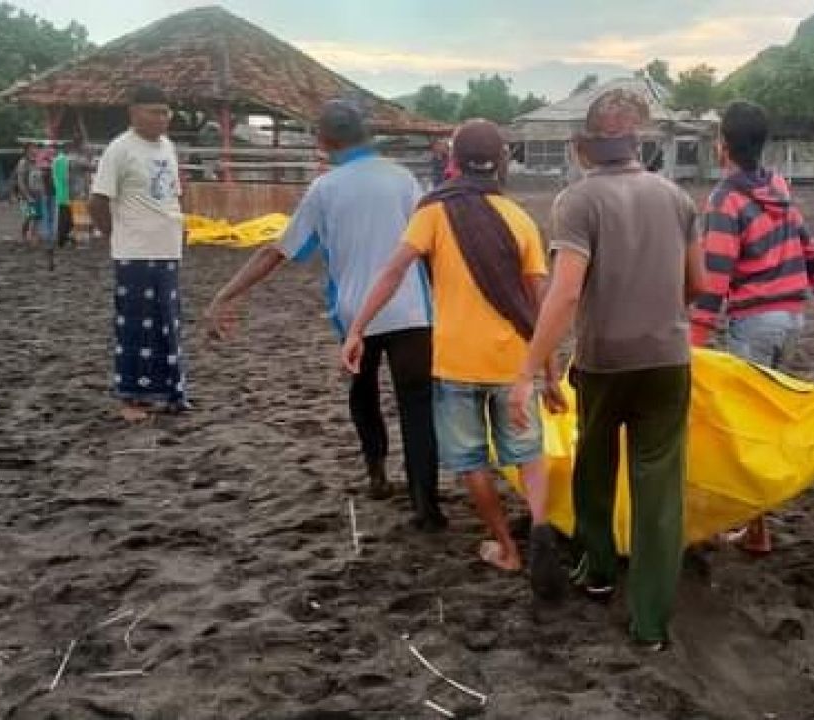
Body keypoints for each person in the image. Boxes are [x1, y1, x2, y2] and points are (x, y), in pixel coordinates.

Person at [508, 88, 705, 649]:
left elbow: (565, 291)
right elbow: (698, 285)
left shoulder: (576, 201)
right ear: (638, 143)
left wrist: (526, 371)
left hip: (602, 361)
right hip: (667, 362)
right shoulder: (677, 199)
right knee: (659, 492)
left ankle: (597, 570)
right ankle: (649, 624)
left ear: (583, 147)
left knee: (594, 462)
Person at [343, 119, 566, 598]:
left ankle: (506, 547)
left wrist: (358, 327)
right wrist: (547, 372)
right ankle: (542, 528)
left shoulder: (434, 212)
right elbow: (537, 304)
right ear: (501, 161)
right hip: (513, 365)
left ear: (454, 161)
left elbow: (393, 271)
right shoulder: (519, 217)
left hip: (455, 365)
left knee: (470, 462)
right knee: (528, 457)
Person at [206, 100, 444, 528]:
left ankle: (376, 473)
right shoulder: (403, 179)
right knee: (417, 405)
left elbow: (277, 251)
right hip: (411, 311)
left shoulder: (325, 189)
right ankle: (425, 503)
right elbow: (430, 246)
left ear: (323, 141)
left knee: (363, 394)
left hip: (356, 315)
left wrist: (226, 295)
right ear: (366, 134)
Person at [690, 100, 814, 553]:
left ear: (722, 146)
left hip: (754, 322)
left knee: (743, 428)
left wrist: (695, 336)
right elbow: (806, 243)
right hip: (791, 318)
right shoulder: (777, 186)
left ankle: (755, 528)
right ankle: (757, 528)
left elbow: (715, 273)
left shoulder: (725, 199)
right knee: (762, 419)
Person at [90, 83, 189, 422]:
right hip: (134, 252)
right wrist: (116, 239)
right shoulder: (120, 149)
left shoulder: (169, 148)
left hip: (168, 250)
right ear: (134, 113)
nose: (162, 119)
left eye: (166, 112)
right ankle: (131, 399)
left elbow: (174, 194)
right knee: (134, 326)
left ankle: (170, 393)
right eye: (155, 112)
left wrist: (179, 230)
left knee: (167, 324)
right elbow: (98, 201)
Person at [14, 143, 45, 244]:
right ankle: (23, 235)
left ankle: (34, 236)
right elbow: (20, 181)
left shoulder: (38, 162)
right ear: (27, 150)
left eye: (36, 148)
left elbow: (41, 179)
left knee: (38, 216)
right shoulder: (23, 163)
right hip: (26, 195)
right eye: (32, 148)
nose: (35, 150)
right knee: (28, 216)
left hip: (38, 194)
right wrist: (27, 196)